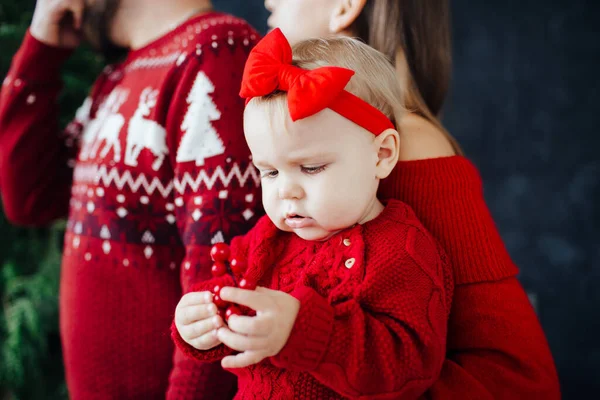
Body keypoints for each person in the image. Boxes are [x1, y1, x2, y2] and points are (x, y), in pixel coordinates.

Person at [263, 0, 561, 398]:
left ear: (346, 7)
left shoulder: (409, 143)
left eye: (312, 169)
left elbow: (484, 352)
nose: (268, 0)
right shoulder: (338, 136)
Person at [0, 0, 263, 398]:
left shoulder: (214, 51)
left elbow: (221, 284)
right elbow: (29, 198)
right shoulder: (119, 72)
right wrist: (40, 50)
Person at [172, 29, 454, 399]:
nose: (285, 190)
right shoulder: (264, 241)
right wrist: (203, 320)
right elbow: (230, 296)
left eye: (312, 167)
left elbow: (411, 366)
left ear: (382, 155)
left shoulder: (401, 250)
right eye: (269, 172)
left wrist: (303, 330)